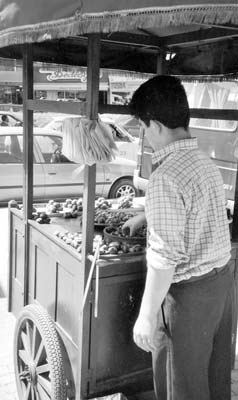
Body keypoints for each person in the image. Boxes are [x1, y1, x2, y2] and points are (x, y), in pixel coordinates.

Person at [122, 75, 233, 400]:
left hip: (188, 301)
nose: (144, 136)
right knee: (214, 383)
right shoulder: (205, 164)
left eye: (142, 128)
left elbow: (163, 260)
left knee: (182, 390)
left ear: (154, 125)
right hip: (221, 288)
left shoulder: (165, 177)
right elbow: (201, 213)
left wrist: (145, 316)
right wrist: (147, 216)